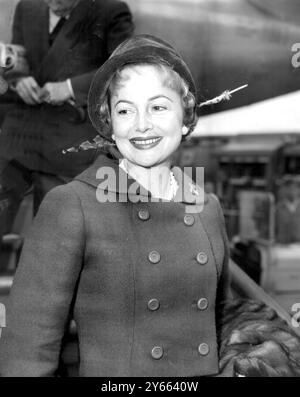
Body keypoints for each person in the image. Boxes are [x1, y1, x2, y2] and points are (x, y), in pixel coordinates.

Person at [3, 34, 300, 378]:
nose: (141, 124)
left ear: (186, 117)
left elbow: (215, 318)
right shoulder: (72, 205)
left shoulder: (206, 208)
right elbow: (27, 350)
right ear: (109, 124)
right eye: (125, 110)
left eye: (158, 107)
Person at [0, 0, 134, 247]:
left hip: (67, 146)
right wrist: (19, 79)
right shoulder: (27, 7)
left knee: (55, 242)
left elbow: (123, 68)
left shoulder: (111, 11)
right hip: (18, 139)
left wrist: (70, 88)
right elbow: (18, 57)